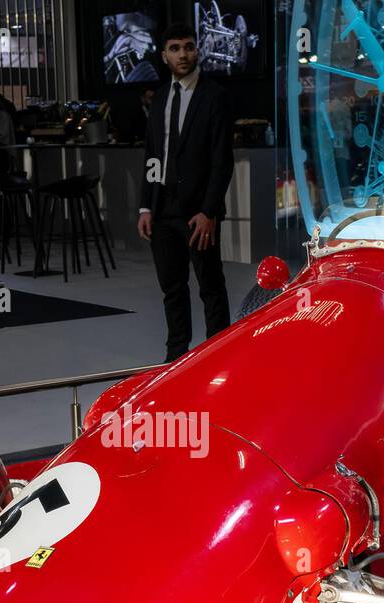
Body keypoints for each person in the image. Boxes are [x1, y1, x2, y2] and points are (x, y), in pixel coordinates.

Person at [137, 22, 234, 363]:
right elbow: (153, 155)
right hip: (163, 208)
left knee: (211, 286)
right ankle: (176, 358)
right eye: (175, 48)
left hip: (199, 212)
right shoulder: (160, 97)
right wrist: (145, 207)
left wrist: (210, 211)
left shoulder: (215, 96)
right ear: (164, 55)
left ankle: (218, 357)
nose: (183, 54)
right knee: (172, 288)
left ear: (197, 51)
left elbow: (222, 160)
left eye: (189, 47)